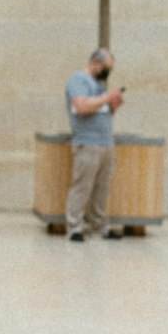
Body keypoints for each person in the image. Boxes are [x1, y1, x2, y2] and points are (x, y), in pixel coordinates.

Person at [65, 48, 125, 241]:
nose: (108, 73)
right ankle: (74, 226)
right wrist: (107, 98)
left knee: (102, 188)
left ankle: (100, 225)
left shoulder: (100, 84)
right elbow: (82, 106)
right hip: (87, 143)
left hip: (106, 142)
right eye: (106, 68)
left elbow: (102, 109)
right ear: (95, 63)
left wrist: (113, 105)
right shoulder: (79, 80)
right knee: (82, 186)